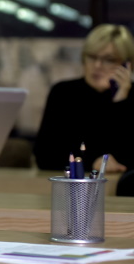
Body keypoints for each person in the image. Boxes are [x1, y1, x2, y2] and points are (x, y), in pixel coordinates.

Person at [34, 24, 134, 175]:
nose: (97, 65)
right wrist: (91, 162)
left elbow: (127, 157)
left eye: (109, 60)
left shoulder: (129, 98)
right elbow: (45, 156)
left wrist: (120, 102)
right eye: (92, 57)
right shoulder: (64, 93)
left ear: (127, 65)